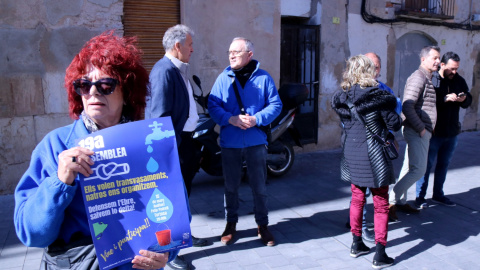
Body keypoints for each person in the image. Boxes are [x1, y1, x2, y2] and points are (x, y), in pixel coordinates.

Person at [14, 32, 178, 270]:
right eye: (83, 85)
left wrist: (166, 253)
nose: (92, 92)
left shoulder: (150, 143)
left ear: (127, 91)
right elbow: (32, 235)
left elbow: (173, 214)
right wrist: (59, 182)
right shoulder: (55, 146)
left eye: (105, 85)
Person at [208, 37, 282, 247]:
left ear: (249, 55)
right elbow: (213, 105)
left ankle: (263, 225)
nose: (231, 55)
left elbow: (276, 105)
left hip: (255, 141)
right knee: (230, 186)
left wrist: (257, 119)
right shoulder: (223, 78)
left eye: (236, 52)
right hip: (230, 142)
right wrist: (229, 119)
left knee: (259, 186)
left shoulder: (264, 78)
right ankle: (230, 225)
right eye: (230, 52)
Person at [145, 24, 207, 270]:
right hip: (175, 145)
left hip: (187, 142)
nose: (193, 49)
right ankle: (171, 253)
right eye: (190, 44)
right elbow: (159, 117)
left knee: (183, 198)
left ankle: (183, 238)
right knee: (173, 200)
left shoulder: (178, 69)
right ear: (177, 45)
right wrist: (170, 150)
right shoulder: (164, 71)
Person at [331, 55, 402, 269]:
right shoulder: (378, 96)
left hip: (352, 153)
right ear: (369, 72)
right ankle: (380, 254)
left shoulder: (342, 97)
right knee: (380, 203)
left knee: (357, 198)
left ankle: (356, 244)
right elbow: (395, 124)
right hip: (374, 156)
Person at [388, 46, 440, 221]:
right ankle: (391, 200)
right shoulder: (418, 77)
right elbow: (408, 105)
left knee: (408, 167)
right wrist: (421, 128)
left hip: (419, 129)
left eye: (438, 58)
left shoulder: (427, 78)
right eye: (434, 58)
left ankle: (400, 203)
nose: (438, 61)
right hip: (417, 130)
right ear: (423, 59)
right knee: (419, 170)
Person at [415, 52, 472, 208]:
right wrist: (444, 99)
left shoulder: (459, 80)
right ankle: (420, 197)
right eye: (452, 69)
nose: (454, 72)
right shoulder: (432, 80)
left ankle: (438, 194)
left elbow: (469, 100)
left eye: (456, 69)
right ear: (442, 65)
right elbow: (425, 103)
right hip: (434, 132)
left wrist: (464, 98)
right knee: (426, 166)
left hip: (451, 132)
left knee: (444, 164)